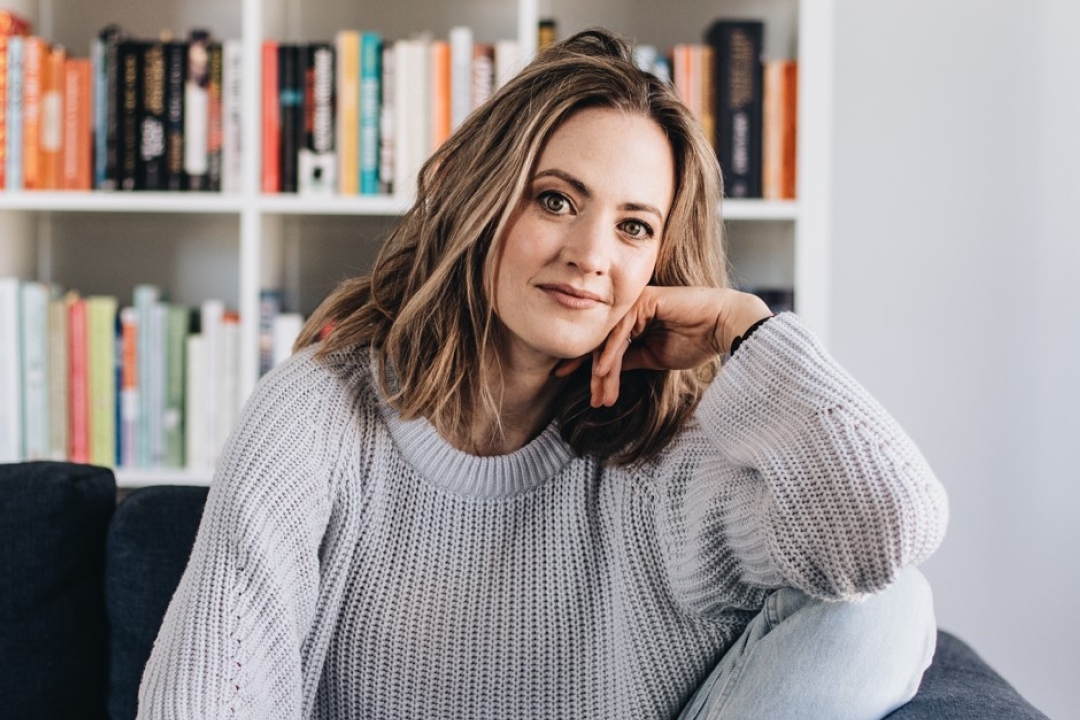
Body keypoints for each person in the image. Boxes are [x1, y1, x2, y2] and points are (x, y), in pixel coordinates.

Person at [138, 28, 948, 720]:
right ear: (482, 199)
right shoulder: (319, 414)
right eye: (557, 200)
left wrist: (748, 333)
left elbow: (886, 530)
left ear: (661, 262)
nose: (590, 256)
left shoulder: (666, 464)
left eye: (633, 227)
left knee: (884, 608)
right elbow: (204, 696)